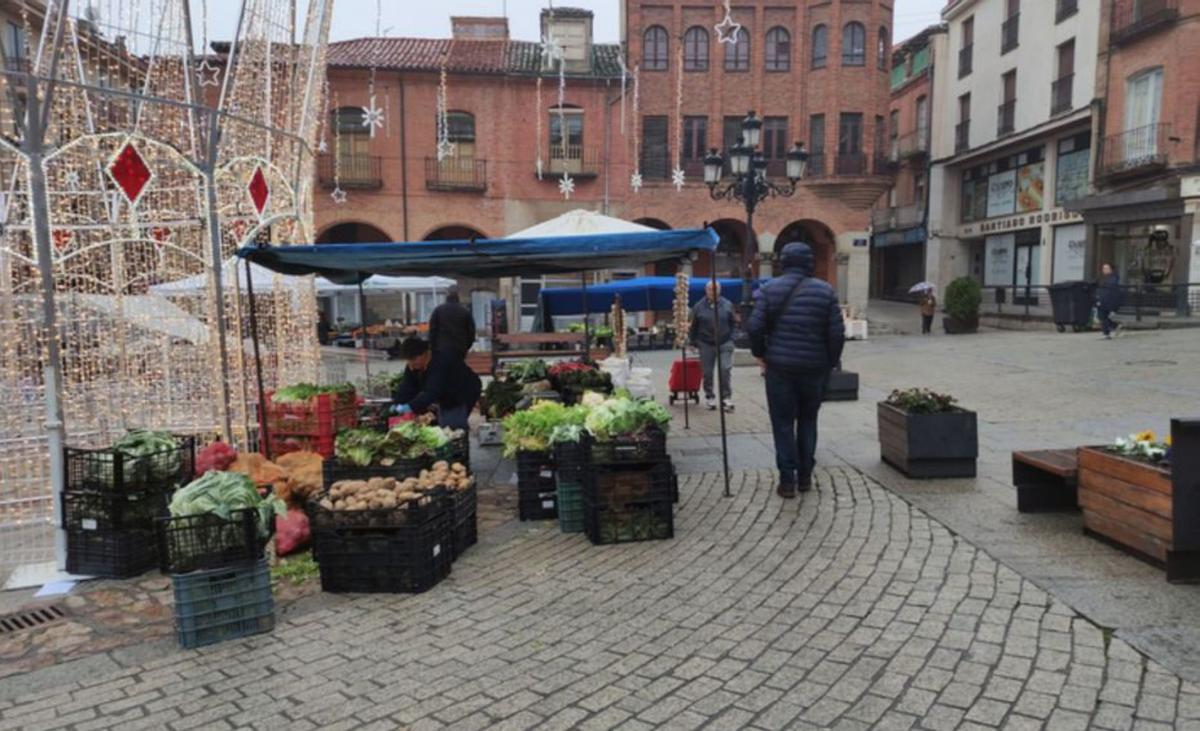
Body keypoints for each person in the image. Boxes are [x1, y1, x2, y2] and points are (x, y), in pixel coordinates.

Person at [747, 242, 845, 499]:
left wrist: (761, 354)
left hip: (780, 369)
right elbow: (837, 334)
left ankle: (787, 480)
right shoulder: (826, 292)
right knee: (809, 421)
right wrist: (830, 362)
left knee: (782, 423)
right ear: (809, 262)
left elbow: (755, 328)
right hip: (814, 369)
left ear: (784, 262)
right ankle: (805, 477)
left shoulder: (769, 290)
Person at [390, 336, 482, 430]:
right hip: (443, 394)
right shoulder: (413, 366)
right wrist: (398, 402)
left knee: (451, 426)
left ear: (425, 353)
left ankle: (460, 437)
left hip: (463, 391)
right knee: (441, 421)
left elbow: (432, 392)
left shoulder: (441, 363)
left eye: (414, 359)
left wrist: (410, 406)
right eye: (408, 360)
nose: (411, 365)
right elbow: (407, 386)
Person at [689, 280, 737, 412]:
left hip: (725, 341)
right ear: (706, 290)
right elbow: (693, 326)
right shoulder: (698, 306)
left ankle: (726, 398)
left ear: (720, 291)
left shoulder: (727, 304)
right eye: (710, 289)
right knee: (707, 372)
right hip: (706, 343)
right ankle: (710, 396)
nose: (713, 292)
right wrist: (692, 342)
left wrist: (732, 339)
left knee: (725, 369)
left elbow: (734, 323)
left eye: (716, 289)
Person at [428, 286, 476, 359]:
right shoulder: (465, 311)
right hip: (460, 348)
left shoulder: (438, 310)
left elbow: (432, 331)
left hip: (442, 348)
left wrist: (433, 347)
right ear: (458, 296)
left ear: (447, 295)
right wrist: (466, 346)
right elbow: (471, 332)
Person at [1096, 263, 1123, 339]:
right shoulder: (1102, 277)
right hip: (1102, 299)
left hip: (1109, 301)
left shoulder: (1114, 277)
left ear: (1111, 269)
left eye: (1106, 268)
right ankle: (1115, 326)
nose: (1104, 270)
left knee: (1103, 317)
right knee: (1102, 317)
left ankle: (1106, 334)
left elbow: (1111, 287)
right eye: (1103, 268)